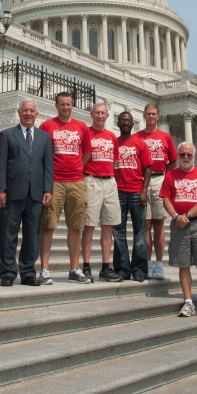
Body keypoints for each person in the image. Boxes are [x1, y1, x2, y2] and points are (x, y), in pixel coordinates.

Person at [0, 99, 53, 286]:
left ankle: (28, 271)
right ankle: (8, 272)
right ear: (19, 113)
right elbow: (0, 164)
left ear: (37, 114)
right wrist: (0, 189)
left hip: (35, 193)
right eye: (25, 110)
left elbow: (48, 166)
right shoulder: (8, 135)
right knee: (7, 234)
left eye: (32, 111)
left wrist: (47, 189)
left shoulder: (44, 138)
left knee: (32, 235)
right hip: (13, 192)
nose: (28, 113)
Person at [39, 92, 92, 283]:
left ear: (72, 106)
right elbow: (41, 153)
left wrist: (76, 167)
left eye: (68, 104)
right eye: (62, 104)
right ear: (56, 105)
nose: (65, 107)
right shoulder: (47, 126)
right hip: (54, 182)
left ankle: (74, 269)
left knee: (75, 226)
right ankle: (44, 269)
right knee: (48, 226)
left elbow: (86, 153)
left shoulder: (82, 127)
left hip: (76, 182)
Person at [161, 141, 197, 316]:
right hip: (179, 224)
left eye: (189, 155)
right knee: (183, 264)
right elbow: (166, 199)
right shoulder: (170, 175)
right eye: (182, 154)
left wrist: (188, 215)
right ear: (178, 156)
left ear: (194, 156)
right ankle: (188, 302)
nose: (185, 157)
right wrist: (176, 217)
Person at [134, 103, 177, 280]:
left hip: (159, 178)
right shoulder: (137, 136)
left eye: (154, 114)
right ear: (144, 116)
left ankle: (159, 264)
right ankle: (148, 263)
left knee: (159, 223)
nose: (151, 117)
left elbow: (173, 161)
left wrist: (164, 175)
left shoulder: (165, 137)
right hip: (142, 180)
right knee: (146, 224)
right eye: (148, 114)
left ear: (158, 117)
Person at [81, 102, 122, 282]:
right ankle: (86, 266)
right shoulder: (85, 133)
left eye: (103, 113)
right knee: (89, 225)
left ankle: (105, 267)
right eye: (97, 112)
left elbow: (114, 161)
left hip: (109, 181)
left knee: (108, 226)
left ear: (107, 116)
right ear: (91, 114)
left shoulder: (112, 136)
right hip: (91, 180)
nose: (99, 116)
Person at [112, 111, 152, 281]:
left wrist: (144, 191)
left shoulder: (140, 143)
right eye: (122, 120)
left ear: (133, 124)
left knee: (140, 233)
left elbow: (148, 168)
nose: (125, 123)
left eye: (128, 120)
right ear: (118, 123)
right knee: (118, 232)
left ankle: (139, 270)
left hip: (136, 191)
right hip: (118, 191)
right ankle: (122, 269)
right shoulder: (114, 142)